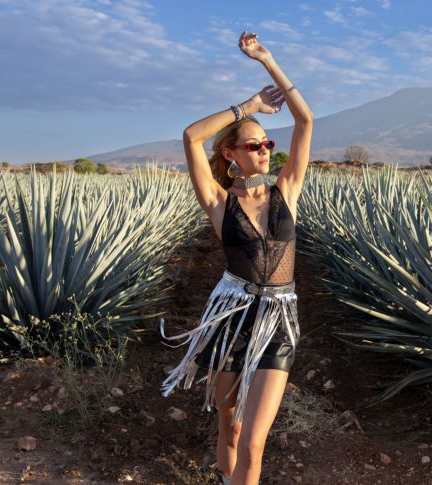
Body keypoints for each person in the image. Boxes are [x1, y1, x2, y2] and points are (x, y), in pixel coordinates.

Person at [159, 31, 313, 485]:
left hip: (279, 321)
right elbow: (190, 137)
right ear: (229, 155)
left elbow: (305, 122)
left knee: (254, 442)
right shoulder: (218, 202)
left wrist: (268, 60)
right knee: (230, 425)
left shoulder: (287, 190)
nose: (264, 150)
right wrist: (246, 107)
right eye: (253, 145)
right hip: (232, 317)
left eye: (267, 144)